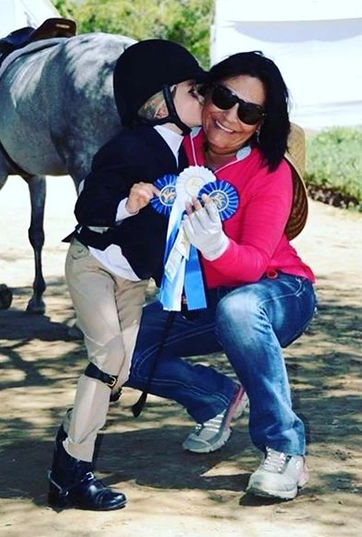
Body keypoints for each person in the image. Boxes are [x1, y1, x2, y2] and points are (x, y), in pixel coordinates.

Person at [126, 50, 317, 501]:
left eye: (248, 111)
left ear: (261, 123)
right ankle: (213, 399)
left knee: (240, 307)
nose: (231, 116)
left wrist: (216, 245)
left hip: (278, 291)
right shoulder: (178, 144)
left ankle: (285, 448)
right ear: (206, 92)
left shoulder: (272, 172)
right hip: (206, 296)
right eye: (225, 98)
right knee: (119, 343)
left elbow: (252, 264)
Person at [47, 39, 206, 511]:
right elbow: (87, 207)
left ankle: (69, 443)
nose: (205, 98)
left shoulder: (188, 158)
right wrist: (127, 204)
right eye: (194, 90)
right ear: (159, 102)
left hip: (132, 280)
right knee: (107, 357)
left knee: (119, 372)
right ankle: (72, 471)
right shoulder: (128, 145)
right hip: (93, 264)